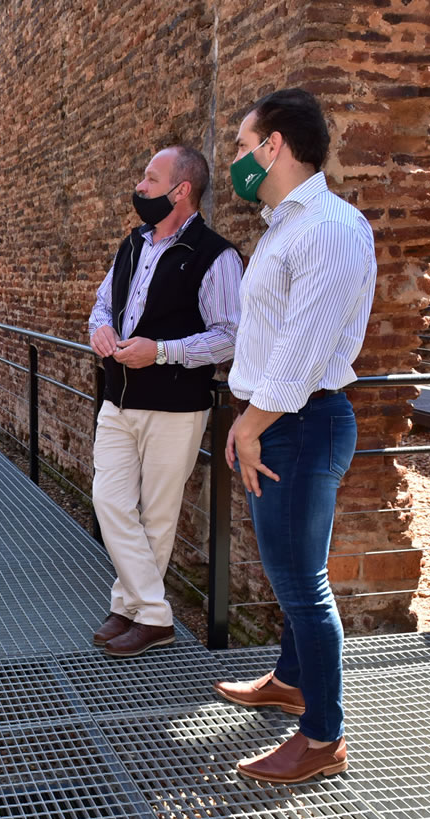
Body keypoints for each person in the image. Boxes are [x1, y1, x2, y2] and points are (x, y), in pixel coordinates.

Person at [214, 88, 376, 784]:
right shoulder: (286, 225)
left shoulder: (328, 228)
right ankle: (291, 681)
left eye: (242, 144)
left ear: (273, 145)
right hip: (282, 421)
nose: (236, 158)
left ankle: (323, 738)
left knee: (303, 584)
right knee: (292, 570)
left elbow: (302, 353)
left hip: (300, 423)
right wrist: (249, 419)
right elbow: (270, 336)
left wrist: (250, 423)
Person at [88, 145, 243, 658]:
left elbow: (230, 336)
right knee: (109, 501)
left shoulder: (216, 256)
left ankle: (130, 608)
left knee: (157, 515)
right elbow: (102, 306)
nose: (140, 187)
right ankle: (154, 612)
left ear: (181, 190)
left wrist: (160, 351)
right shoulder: (132, 244)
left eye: (150, 179)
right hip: (117, 399)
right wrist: (101, 330)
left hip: (176, 405)